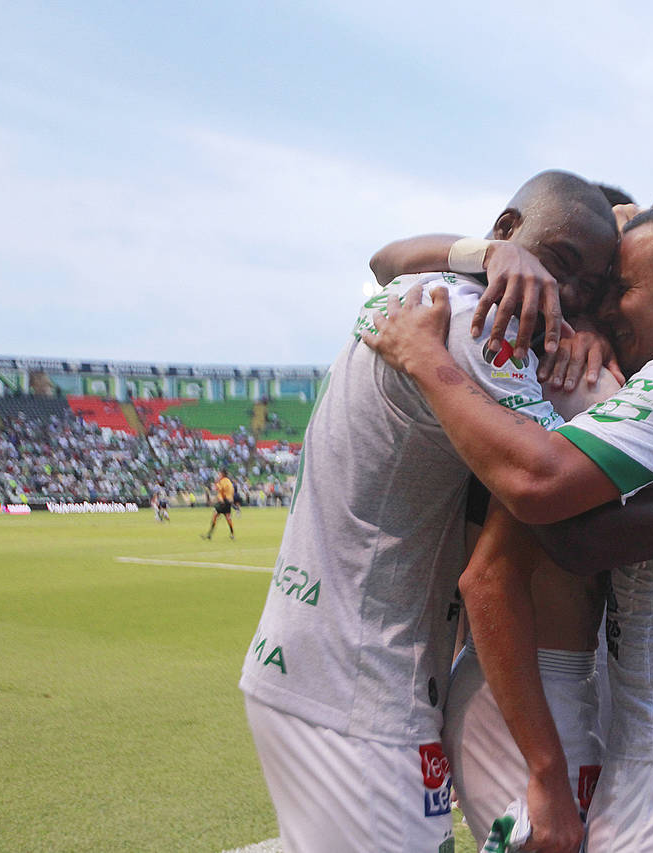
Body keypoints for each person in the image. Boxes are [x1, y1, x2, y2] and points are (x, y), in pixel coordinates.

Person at [366, 206, 653, 852]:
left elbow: (555, 505)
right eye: (605, 289)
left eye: (620, 287)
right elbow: (533, 557)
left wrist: (424, 357)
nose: (613, 309)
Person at [238, 170, 621, 853]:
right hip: (361, 695)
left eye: (589, 291)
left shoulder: (417, 293)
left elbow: (387, 257)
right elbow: (539, 481)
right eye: (557, 263)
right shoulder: (480, 326)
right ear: (507, 231)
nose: (564, 296)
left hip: (327, 668)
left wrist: (513, 270)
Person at [203, 469, 235, 540]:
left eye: (219, 474)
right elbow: (231, 491)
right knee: (228, 518)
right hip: (228, 501)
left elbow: (220, 492)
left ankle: (209, 534)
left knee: (215, 516)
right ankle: (232, 534)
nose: (218, 475)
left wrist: (218, 500)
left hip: (223, 502)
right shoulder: (229, 482)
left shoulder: (221, 482)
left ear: (222, 474)